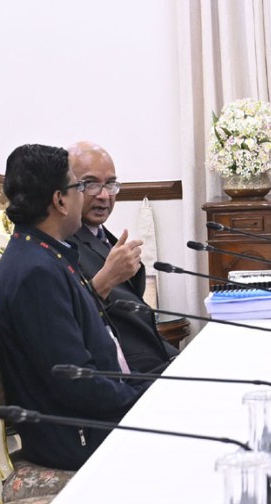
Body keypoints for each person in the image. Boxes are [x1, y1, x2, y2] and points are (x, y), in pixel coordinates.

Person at [0, 144, 147, 470]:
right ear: (60, 200)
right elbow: (78, 383)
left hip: (95, 415)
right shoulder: (36, 271)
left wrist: (146, 388)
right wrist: (146, 398)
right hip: (77, 436)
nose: (87, 196)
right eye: (80, 186)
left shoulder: (45, 252)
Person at [66, 141, 177, 373]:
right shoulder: (65, 244)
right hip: (128, 375)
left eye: (110, 184)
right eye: (91, 184)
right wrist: (106, 279)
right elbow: (73, 322)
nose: (104, 195)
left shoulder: (101, 235)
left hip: (157, 358)